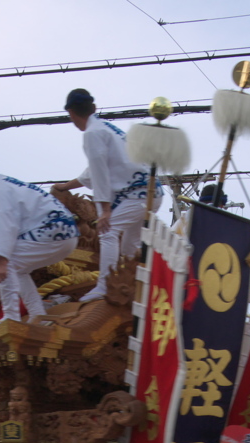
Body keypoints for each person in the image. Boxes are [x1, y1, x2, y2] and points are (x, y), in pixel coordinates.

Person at [54, 88, 164, 303]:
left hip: (139, 194)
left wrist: (104, 210)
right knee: (128, 247)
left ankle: (105, 286)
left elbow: (99, 172)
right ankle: (135, 287)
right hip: (149, 192)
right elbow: (93, 171)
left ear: (71, 113)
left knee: (108, 231)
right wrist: (67, 186)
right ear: (93, 108)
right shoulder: (106, 129)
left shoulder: (93, 133)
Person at [0, 150, 78, 325]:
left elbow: (4, 224)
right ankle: (38, 315)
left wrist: (2, 263)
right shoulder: (3, 185)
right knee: (18, 269)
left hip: (53, 232)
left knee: (7, 265)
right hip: (64, 233)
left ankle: (11, 318)